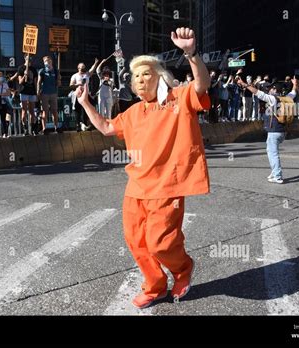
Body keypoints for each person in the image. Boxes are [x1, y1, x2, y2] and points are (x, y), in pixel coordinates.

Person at [76, 27, 211, 309]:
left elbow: (201, 85)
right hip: (136, 188)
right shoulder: (134, 111)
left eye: (145, 73)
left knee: (161, 243)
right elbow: (106, 127)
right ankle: (155, 286)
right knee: (136, 241)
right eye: (136, 76)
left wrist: (191, 53)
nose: (139, 79)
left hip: (167, 186)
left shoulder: (178, 98)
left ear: (159, 76)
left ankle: (183, 268)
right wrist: (85, 102)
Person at [237, 76, 298, 184]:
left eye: (271, 89)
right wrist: (295, 84)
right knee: (271, 152)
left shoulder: (273, 99)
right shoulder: (287, 98)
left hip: (274, 131)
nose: (269, 90)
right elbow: (294, 92)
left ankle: (277, 176)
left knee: (273, 153)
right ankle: (274, 172)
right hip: (282, 131)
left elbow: (258, 93)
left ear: (274, 90)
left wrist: (245, 84)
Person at [69, 59, 99, 131]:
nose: (83, 68)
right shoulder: (75, 76)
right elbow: (71, 85)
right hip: (78, 95)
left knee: (87, 109)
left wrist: (95, 63)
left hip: (86, 94)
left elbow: (92, 69)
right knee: (78, 110)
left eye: (84, 66)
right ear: (78, 68)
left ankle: (85, 124)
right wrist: (77, 84)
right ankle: (77, 125)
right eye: (82, 66)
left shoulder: (87, 75)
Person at [37, 55, 61, 133]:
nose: (47, 62)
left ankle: (56, 127)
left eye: (48, 60)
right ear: (44, 62)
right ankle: (44, 128)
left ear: (51, 61)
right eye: (45, 61)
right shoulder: (42, 71)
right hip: (44, 93)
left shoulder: (56, 71)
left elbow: (58, 83)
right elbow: (39, 82)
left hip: (53, 93)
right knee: (45, 111)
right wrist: (38, 92)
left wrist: (59, 80)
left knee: (54, 111)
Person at [18, 54, 39, 135]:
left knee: (32, 111)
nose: (29, 59)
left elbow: (35, 82)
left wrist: (36, 92)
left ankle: (33, 128)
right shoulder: (21, 68)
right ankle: (25, 128)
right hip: (24, 91)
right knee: (24, 110)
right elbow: (20, 82)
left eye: (30, 58)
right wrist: (25, 75)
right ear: (24, 58)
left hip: (32, 92)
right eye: (28, 58)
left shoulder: (33, 69)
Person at [96, 55, 115, 119]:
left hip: (109, 98)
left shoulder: (111, 80)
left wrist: (108, 80)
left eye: (107, 74)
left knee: (109, 114)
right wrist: (102, 62)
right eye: (105, 74)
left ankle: (109, 126)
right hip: (101, 98)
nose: (106, 75)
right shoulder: (101, 79)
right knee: (101, 113)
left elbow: (111, 85)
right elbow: (97, 70)